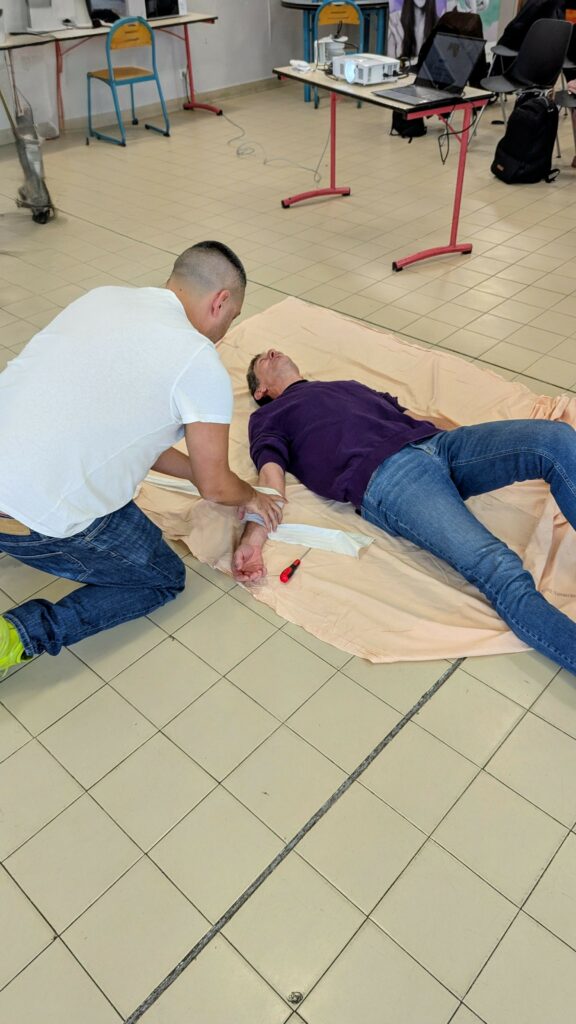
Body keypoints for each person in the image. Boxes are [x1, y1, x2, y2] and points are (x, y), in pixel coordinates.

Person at [0, 242, 282, 672]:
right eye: (232, 318)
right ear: (220, 301)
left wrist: (200, 474)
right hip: (31, 522)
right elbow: (215, 484)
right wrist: (251, 496)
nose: (224, 332)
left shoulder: (102, 298)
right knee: (161, 577)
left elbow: (137, 439)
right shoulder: (198, 361)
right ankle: (19, 635)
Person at [233, 349, 576, 675]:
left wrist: (482, 439)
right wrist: (253, 536)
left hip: (439, 445)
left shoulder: (344, 385)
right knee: (499, 568)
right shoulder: (268, 416)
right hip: (389, 476)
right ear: (261, 389)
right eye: (264, 357)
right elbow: (269, 477)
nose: (274, 352)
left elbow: (412, 416)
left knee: (555, 439)